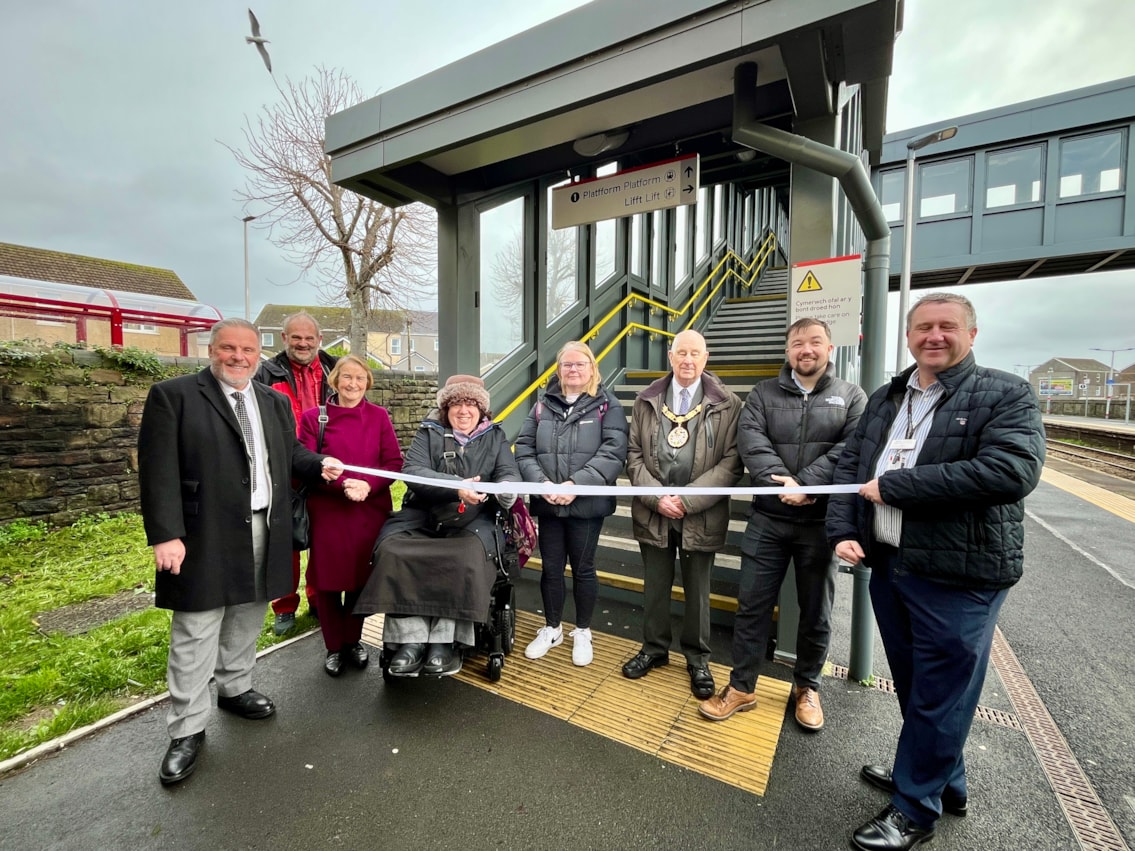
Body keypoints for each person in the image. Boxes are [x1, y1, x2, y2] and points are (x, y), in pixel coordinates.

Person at [827, 293, 1044, 851]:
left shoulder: (1005, 393)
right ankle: (943, 780)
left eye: (948, 327)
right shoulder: (887, 397)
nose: (934, 336)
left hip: (960, 571)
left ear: (972, 334)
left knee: (939, 692)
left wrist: (898, 487)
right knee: (919, 685)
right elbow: (854, 465)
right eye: (923, 327)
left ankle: (913, 810)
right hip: (892, 562)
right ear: (909, 336)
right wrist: (845, 530)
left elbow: (1010, 471)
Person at [138, 318, 342, 786]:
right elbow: (158, 470)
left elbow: (287, 454)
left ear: (258, 353)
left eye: (247, 350)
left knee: (249, 611)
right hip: (200, 533)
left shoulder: (272, 400)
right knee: (196, 625)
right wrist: (165, 534)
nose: (238, 357)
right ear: (212, 350)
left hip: (264, 525)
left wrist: (320, 464)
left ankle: (234, 687)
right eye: (228, 348)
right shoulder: (175, 396)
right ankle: (187, 729)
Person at [700, 318, 866, 729]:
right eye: (797, 343)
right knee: (752, 606)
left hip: (820, 523)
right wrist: (784, 485)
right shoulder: (763, 393)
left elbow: (854, 448)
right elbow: (751, 441)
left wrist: (807, 485)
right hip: (768, 520)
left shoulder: (851, 396)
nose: (805, 350)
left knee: (816, 612)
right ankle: (741, 687)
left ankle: (807, 687)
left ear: (830, 348)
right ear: (787, 350)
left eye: (814, 342)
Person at [355, 374, 521, 676]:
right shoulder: (428, 432)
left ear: (481, 409)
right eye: (456, 403)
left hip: (474, 519)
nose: (463, 410)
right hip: (423, 513)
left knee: (465, 556)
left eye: (471, 404)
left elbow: (508, 472)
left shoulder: (495, 436)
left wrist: (507, 487)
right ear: (446, 408)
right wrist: (456, 486)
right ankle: (410, 641)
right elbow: (413, 470)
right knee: (393, 550)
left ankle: (447, 640)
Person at [623, 329, 742, 699]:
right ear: (670, 357)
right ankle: (654, 649)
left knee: (698, 591)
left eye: (696, 353)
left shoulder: (729, 404)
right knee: (655, 586)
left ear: (706, 359)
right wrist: (657, 498)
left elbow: (731, 463)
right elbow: (633, 457)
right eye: (681, 353)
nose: (688, 360)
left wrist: (687, 500)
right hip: (654, 511)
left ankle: (697, 658)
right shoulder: (647, 400)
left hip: (700, 513)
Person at [515, 341, 628, 666]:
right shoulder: (541, 406)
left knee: (583, 568)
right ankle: (552, 628)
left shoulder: (608, 406)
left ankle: (582, 630)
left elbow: (613, 452)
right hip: (549, 502)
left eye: (580, 364)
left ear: (592, 368)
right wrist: (543, 484)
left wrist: (575, 485)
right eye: (567, 365)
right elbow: (524, 448)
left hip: (586, 505)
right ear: (559, 370)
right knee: (550, 568)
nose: (574, 370)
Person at [299, 355, 403, 677]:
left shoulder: (379, 416)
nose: (353, 384)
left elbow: (393, 463)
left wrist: (367, 486)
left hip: (369, 509)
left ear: (367, 382)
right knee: (329, 582)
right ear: (335, 381)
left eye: (360, 378)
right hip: (329, 509)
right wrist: (342, 484)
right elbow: (303, 463)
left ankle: (353, 639)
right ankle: (333, 646)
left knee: (361, 578)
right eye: (346, 377)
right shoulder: (313, 418)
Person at [254, 311, 339, 635]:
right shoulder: (265, 372)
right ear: (284, 339)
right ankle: (284, 606)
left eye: (309, 338)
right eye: (296, 338)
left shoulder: (335, 369)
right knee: (284, 541)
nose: (303, 344)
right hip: (282, 468)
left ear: (319, 340)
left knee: (322, 536)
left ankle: (319, 599)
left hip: (325, 464)